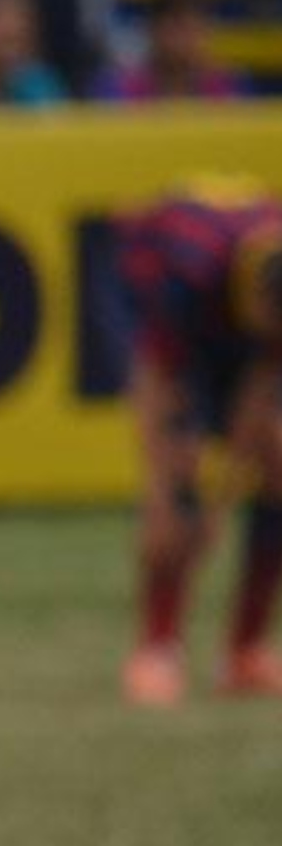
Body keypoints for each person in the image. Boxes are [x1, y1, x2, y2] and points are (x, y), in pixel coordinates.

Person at [116, 176, 282, 706]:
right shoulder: (186, 270)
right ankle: (156, 647)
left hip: (225, 325)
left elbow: (260, 387)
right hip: (174, 338)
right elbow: (157, 380)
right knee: (176, 485)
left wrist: (226, 493)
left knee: (277, 466)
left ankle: (244, 652)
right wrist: (172, 488)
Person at [90, 0, 250, 104]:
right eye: (175, 27)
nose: (184, 40)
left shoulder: (229, 86)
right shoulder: (119, 88)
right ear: (152, 30)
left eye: (192, 28)